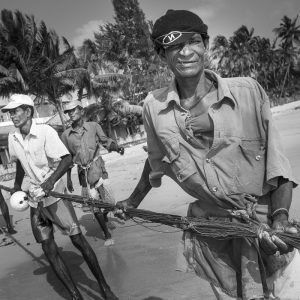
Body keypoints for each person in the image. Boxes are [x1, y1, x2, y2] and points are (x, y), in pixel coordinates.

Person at [117, 9, 300, 299]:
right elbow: (156, 160)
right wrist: (132, 201)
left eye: (193, 42)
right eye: (174, 46)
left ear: (205, 44)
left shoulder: (248, 92)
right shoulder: (153, 107)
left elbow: (279, 167)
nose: (185, 52)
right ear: (162, 54)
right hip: (214, 236)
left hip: (267, 229)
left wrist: (280, 219)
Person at [2, 94, 118, 300]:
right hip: (34, 198)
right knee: (47, 247)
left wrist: (48, 183)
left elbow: (65, 160)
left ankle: (104, 288)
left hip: (55, 194)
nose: (12, 115)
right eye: (10, 112)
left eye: (16, 110)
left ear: (28, 111)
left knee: (78, 240)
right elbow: (20, 162)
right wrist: (18, 186)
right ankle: (75, 296)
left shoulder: (45, 131)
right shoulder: (12, 137)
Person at [61, 100, 124, 247]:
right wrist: (69, 178)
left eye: (73, 110)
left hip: (98, 167)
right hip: (83, 173)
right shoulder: (66, 135)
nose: (70, 114)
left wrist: (116, 147)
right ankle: (107, 234)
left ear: (81, 111)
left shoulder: (94, 126)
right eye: (68, 112)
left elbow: (105, 141)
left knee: (109, 200)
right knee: (94, 203)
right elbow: (68, 158)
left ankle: (106, 218)